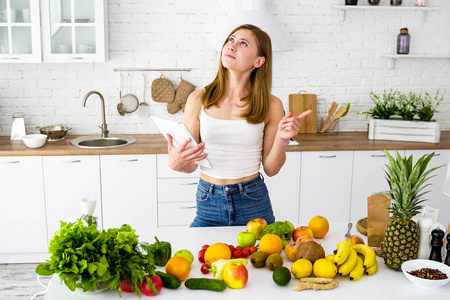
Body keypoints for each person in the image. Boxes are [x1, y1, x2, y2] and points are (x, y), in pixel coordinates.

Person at [166, 24, 311, 227]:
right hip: (209, 200)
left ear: (259, 61)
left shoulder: (271, 105)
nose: (231, 46)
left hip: (253, 201)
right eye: (230, 40)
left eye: (243, 43)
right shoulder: (198, 98)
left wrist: (281, 140)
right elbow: (190, 165)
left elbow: (271, 169)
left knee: (262, 259)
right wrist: (176, 162)